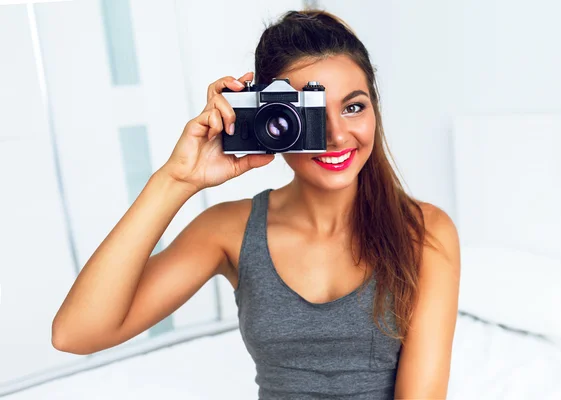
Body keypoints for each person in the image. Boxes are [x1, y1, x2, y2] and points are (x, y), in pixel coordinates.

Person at [51, 9, 460, 400]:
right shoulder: (227, 230)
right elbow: (77, 333)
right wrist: (176, 180)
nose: (336, 135)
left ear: (375, 109)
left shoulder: (422, 231)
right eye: (312, 113)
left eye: (354, 107)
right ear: (270, 119)